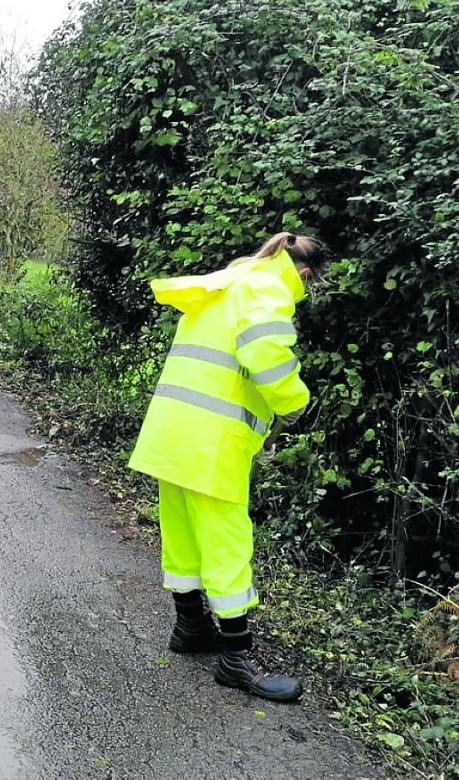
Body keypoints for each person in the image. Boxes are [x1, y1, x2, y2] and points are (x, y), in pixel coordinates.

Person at [127, 232, 325, 702]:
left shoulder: (225, 283)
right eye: (312, 284)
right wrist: (295, 401)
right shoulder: (267, 289)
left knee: (183, 532)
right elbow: (266, 355)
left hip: (172, 431)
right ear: (303, 273)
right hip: (211, 441)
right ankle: (237, 659)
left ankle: (191, 628)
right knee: (226, 540)